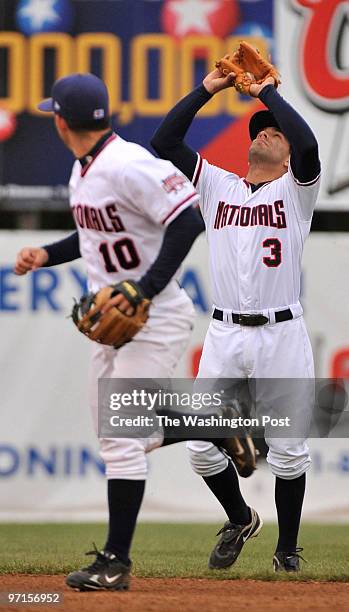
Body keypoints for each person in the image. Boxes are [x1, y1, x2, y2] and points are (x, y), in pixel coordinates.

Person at [14, 72, 206, 592]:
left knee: (122, 438)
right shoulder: (86, 171)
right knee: (116, 434)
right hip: (116, 322)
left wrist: (144, 288)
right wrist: (47, 255)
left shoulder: (128, 163)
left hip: (155, 316)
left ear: (60, 121)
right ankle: (218, 426)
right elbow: (94, 234)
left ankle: (116, 562)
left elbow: (188, 219)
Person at [151, 65, 321, 572]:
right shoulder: (217, 186)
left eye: (275, 131)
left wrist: (265, 92)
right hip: (225, 333)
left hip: (282, 333)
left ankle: (286, 550)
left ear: (288, 153)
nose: (266, 132)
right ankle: (241, 517)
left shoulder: (297, 192)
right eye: (258, 129)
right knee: (202, 448)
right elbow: (165, 140)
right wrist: (211, 88)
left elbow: (309, 145)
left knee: (289, 452)